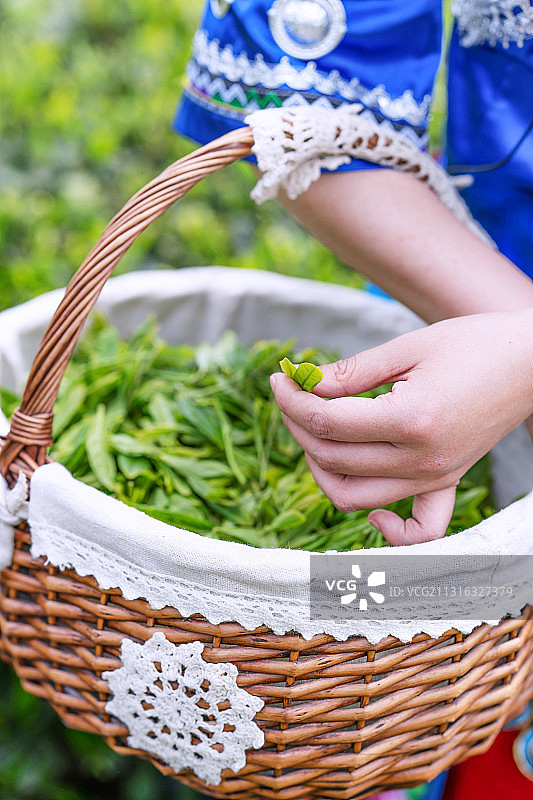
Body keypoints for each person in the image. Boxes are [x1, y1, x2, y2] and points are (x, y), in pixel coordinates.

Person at [173, 6, 533, 794]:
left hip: (489, 355)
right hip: (456, 333)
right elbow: (302, 100)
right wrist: (511, 342)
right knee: (392, 710)